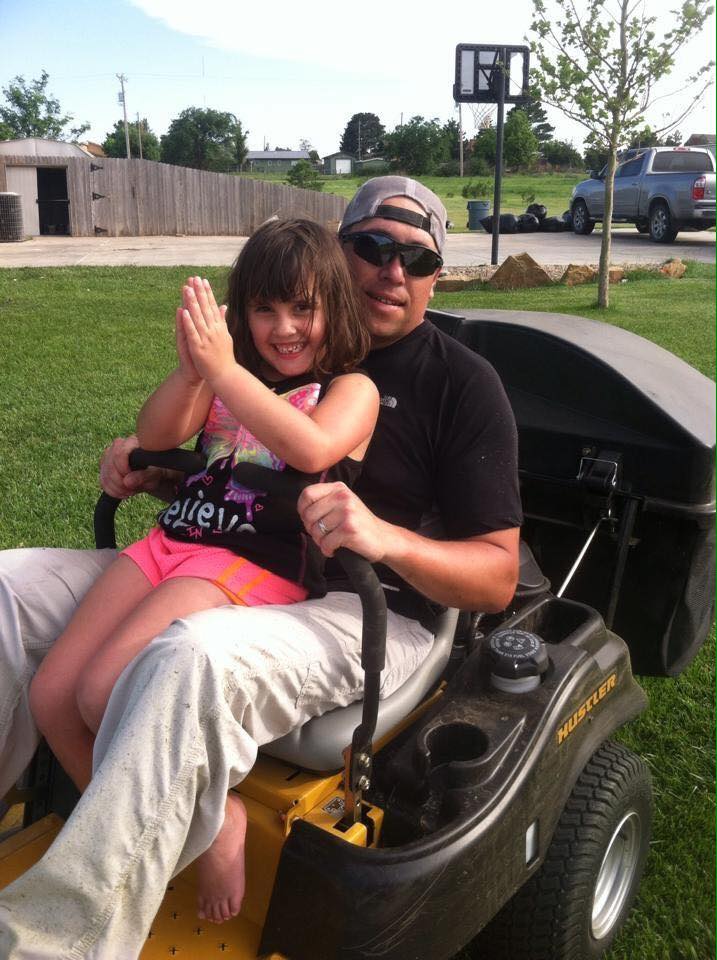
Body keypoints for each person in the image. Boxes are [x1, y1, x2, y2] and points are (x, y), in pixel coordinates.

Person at [0, 176, 522, 959]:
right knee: (9, 589)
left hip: (358, 604)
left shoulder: (453, 382)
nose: (391, 269)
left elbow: (495, 577)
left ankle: (54, 940)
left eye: (415, 258)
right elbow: (238, 466)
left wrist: (384, 538)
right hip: (202, 544)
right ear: (335, 253)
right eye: (372, 246)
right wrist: (157, 468)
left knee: (182, 658)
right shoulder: (269, 361)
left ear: (435, 275)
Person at [25, 217, 379, 925]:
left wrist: (224, 372)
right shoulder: (223, 382)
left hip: (246, 565)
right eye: (265, 309)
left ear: (332, 310)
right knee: (53, 693)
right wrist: (194, 369)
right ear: (241, 313)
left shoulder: (351, 391)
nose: (284, 328)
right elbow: (155, 438)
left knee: (103, 694)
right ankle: (167, 832)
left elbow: (310, 450)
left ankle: (219, 825)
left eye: (302, 308)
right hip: (169, 542)